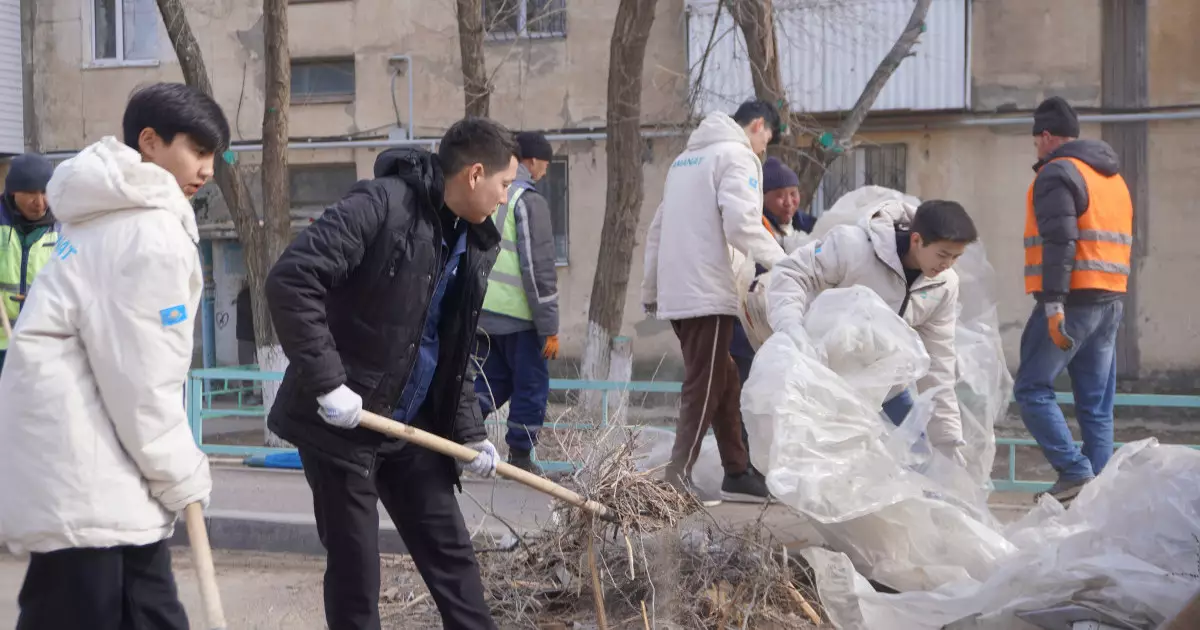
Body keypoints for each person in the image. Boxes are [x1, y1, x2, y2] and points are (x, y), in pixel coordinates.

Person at [265, 117, 518, 630]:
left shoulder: (471, 242)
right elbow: (292, 280)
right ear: (474, 174)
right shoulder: (382, 205)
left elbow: (451, 351)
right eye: (504, 184)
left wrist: (471, 434)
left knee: (454, 561)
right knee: (357, 573)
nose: (505, 199)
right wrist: (328, 382)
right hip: (342, 427)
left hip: (411, 429)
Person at [0, 82, 224, 629]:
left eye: (214, 156)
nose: (209, 170)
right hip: (86, 473)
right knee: (85, 611)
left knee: (147, 611)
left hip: (98, 469)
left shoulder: (98, 217)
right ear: (150, 142)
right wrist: (183, 473)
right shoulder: (147, 233)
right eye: (197, 151)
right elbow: (142, 380)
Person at [642, 98, 786, 503]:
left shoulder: (685, 162)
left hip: (678, 287)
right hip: (709, 287)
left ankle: (737, 471)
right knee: (704, 382)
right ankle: (676, 475)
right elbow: (742, 224)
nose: (764, 150)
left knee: (724, 376)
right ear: (757, 125)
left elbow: (658, 227)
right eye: (767, 140)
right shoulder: (735, 157)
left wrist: (650, 289)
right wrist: (787, 264)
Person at [768, 197, 979, 462]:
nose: (947, 264)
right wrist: (790, 328)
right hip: (826, 377)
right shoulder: (853, 247)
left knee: (920, 461)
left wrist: (947, 441)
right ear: (916, 240)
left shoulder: (943, 286)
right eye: (942, 254)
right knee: (821, 463)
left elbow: (939, 364)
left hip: (887, 386)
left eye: (956, 257)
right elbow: (792, 274)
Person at [1014, 96, 1132, 503]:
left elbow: (1060, 241)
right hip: (1111, 302)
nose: (1037, 150)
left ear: (1046, 137)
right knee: (1096, 406)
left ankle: (1075, 472)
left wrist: (1053, 305)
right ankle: (1098, 497)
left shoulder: (1056, 173)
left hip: (1073, 301)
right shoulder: (1111, 178)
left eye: (1036, 142)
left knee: (1031, 388)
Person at [475, 131, 560, 475]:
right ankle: (521, 456)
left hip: (483, 314)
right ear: (533, 161)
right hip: (520, 318)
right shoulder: (528, 200)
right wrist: (550, 327)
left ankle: (451, 436)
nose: (545, 172)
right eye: (546, 165)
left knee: (490, 381)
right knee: (531, 383)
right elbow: (538, 269)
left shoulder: (492, 192)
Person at [0, 153, 58, 372]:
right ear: (13, 192)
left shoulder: (64, 227)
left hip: (43, 344)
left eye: (45, 192)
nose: (40, 203)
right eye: (31, 193)